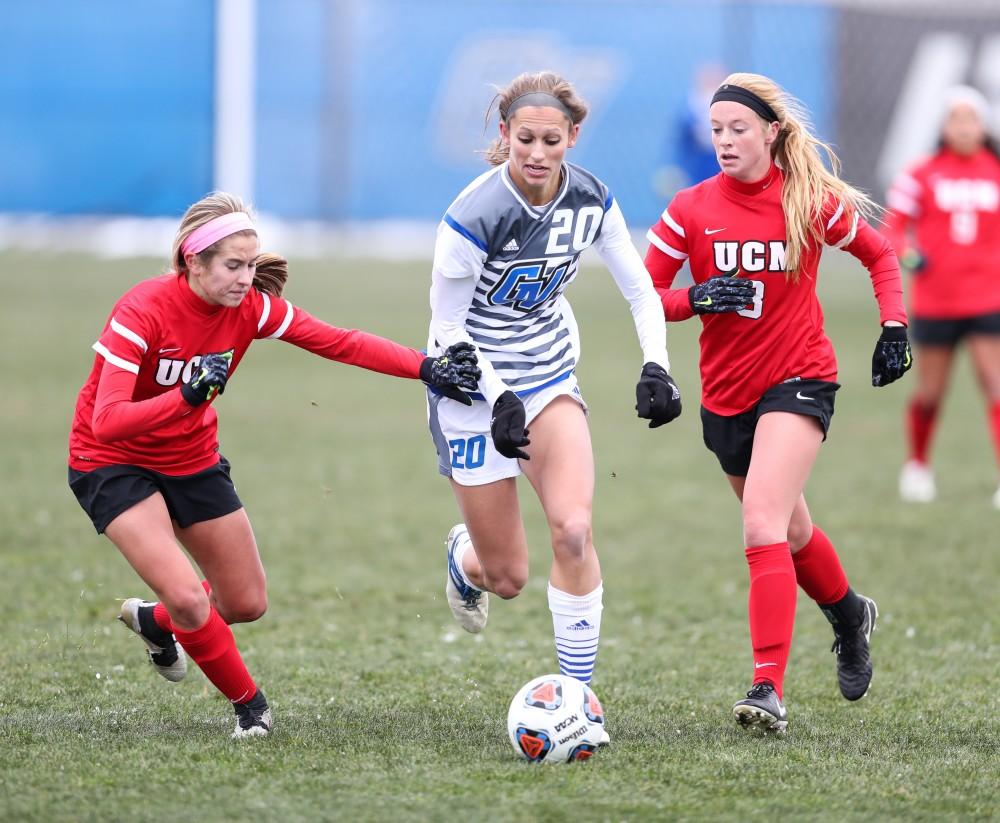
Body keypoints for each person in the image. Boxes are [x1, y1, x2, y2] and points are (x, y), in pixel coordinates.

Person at [68, 192, 479, 739]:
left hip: (190, 457)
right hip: (111, 461)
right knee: (191, 597)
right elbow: (108, 421)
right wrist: (187, 398)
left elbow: (341, 343)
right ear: (194, 262)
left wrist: (428, 368)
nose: (245, 278)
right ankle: (251, 709)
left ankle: (152, 620)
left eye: (251, 265)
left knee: (243, 602)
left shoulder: (251, 308)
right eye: (232, 266)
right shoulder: (141, 310)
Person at [644, 73, 912, 733]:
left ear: (772, 132)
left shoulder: (808, 200)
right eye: (717, 130)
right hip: (726, 395)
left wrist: (894, 326)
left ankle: (767, 687)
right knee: (791, 532)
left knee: (762, 523)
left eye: (739, 129)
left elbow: (880, 255)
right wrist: (696, 299)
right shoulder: (690, 207)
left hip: (800, 377)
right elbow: (645, 295)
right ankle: (851, 614)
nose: (727, 141)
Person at [425, 71, 681, 716]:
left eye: (552, 140)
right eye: (526, 139)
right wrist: (495, 396)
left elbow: (640, 288)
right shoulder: (472, 214)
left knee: (573, 531)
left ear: (572, 137)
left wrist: (658, 366)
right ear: (506, 136)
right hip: (469, 386)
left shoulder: (592, 198)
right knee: (506, 578)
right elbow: (448, 328)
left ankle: (577, 697)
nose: (538, 153)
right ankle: (465, 557)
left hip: (547, 376)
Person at [883, 85, 1000, 507]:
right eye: (956, 119)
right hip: (936, 302)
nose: (964, 127)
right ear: (944, 125)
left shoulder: (995, 170)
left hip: (988, 300)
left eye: (971, 119)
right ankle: (917, 465)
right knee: (930, 392)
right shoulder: (921, 173)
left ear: (983, 125)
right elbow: (893, 227)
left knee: (995, 386)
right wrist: (909, 254)